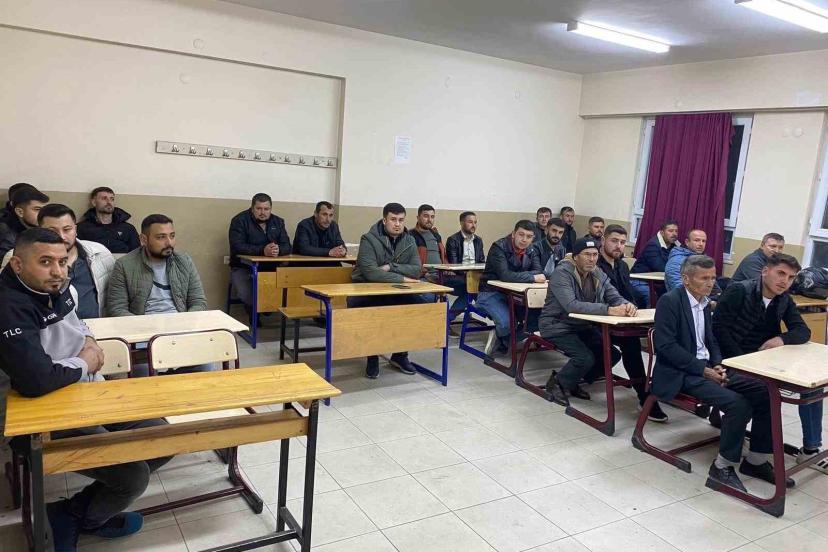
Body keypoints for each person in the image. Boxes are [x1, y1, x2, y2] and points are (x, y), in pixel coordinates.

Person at [0, 228, 170, 551]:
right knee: (134, 476)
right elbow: (37, 380)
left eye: (62, 261)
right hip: (39, 415)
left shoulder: (56, 284)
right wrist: (85, 362)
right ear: (18, 265)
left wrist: (89, 341)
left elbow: (77, 324)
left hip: (84, 393)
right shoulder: (8, 306)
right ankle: (88, 516)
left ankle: (73, 512)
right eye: (45, 262)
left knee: (161, 436)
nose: (58, 271)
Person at [651, 254, 790, 492]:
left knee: (766, 393)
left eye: (713, 278)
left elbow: (711, 339)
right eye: (704, 278)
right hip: (681, 372)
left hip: (707, 368)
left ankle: (756, 461)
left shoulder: (705, 303)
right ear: (686, 279)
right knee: (738, 404)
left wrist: (717, 364)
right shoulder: (670, 301)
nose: (710, 283)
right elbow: (666, 347)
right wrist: (703, 370)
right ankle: (722, 467)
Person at [713, 253, 826, 473]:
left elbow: (803, 331)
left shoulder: (783, 299)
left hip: (764, 362)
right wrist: (742, 362)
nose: (785, 281)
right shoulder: (740, 291)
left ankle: (810, 449)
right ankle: (755, 456)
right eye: (780, 273)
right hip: (733, 361)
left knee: (812, 386)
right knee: (766, 391)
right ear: (765, 271)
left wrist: (781, 339)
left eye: (791, 277)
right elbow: (718, 330)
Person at [540, 238, 667, 420]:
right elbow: (571, 305)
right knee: (585, 358)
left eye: (594, 255)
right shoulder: (562, 274)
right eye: (587, 255)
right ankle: (558, 382)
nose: (592, 259)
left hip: (583, 325)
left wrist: (626, 305)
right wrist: (608, 310)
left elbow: (613, 295)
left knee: (612, 355)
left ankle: (573, 379)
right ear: (575, 257)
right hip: (557, 325)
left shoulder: (596, 272)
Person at [2, 204, 115, 318]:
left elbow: (112, 297)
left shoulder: (100, 253)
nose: (61, 236)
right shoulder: (18, 256)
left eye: (67, 229)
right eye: (52, 231)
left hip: (97, 326)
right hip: (43, 324)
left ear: (75, 229)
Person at [351, 203, 423, 379]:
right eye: (393, 219)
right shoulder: (368, 239)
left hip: (394, 291)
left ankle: (400, 354)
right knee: (375, 310)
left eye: (401, 220)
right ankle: (372, 356)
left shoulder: (409, 240)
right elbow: (370, 272)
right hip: (365, 291)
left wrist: (391, 266)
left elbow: (416, 269)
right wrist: (403, 278)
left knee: (418, 305)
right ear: (384, 220)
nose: (397, 224)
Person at [476, 220, 545, 356]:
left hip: (515, 294)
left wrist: (522, 276)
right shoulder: (499, 247)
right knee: (507, 324)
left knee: (537, 320)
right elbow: (505, 275)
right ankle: (505, 338)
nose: (524, 240)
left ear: (533, 238)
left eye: (529, 236)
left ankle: (504, 340)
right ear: (513, 234)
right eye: (521, 234)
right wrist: (531, 277)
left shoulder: (531, 249)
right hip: (490, 293)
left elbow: (539, 271)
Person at [228, 193, 292, 314]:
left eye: (266, 209)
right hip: (243, 267)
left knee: (280, 294)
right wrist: (263, 250)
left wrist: (278, 250)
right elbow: (237, 246)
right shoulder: (239, 220)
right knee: (247, 295)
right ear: (252, 208)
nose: (263, 212)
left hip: (270, 267)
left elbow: (287, 245)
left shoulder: (278, 222)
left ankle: (265, 309)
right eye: (259, 208)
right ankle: (253, 313)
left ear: (271, 209)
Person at [410, 204, 469, 322]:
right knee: (429, 297)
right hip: (423, 277)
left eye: (432, 217)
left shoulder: (435, 235)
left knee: (470, 290)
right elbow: (410, 261)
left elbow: (443, 256)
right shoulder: (410, 235)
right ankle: (430, 324)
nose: (429, 219)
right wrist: (423, 273)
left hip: (441, 275)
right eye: (426, 216)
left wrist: (448, 269)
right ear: (418, 217)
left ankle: (446, 321)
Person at [76, 187, 141, 253]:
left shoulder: (128, 228)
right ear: (94, 202)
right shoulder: (82, 228)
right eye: (104, 198)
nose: (109, 202)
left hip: (122, 259)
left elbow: (137, 253)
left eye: (112, 199)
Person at [631, 219, 679, 305]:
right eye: (671, 231)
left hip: (657, 282)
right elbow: (660, 267)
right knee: (651, 296)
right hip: (639, 280)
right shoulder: (653, 245)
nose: (674, 234)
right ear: (662, 232)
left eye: (676, 231)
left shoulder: (676, 246)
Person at [597, 225, 646, 308]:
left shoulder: (623, 266)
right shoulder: (594, 265)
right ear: (603, 241)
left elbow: (628, 292)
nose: (618, 246)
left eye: (622, 242)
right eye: (614, 241)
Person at [664, 229, 720, 299]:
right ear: (687, 242)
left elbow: (714, 287)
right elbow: (681, 291)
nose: (701, 244)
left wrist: (719, 298)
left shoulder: (703, 259)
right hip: (685, 303)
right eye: (697, 240)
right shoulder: (676, 261)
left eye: (703, 241)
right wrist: (710, 302)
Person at [0, 186, 49, 259]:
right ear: (20, 212)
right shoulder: (7, 234)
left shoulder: (42, 227)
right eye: (37, 209)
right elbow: (7, 262)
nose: (44, 213)